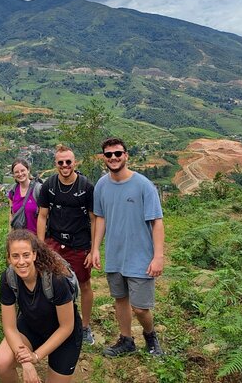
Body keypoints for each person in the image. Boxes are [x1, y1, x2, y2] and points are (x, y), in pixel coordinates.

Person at [92, 137, 165, 357]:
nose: (113, 158)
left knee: (141, 307)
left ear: (126, 155)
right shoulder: (101, 185)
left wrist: (158, 257)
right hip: (115, 254)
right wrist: (95, 248)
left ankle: (150, 336)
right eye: (109, 154)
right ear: (103, 158)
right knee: (120, 299)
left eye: (117, 153)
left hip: (140, 256)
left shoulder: (143, 185)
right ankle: (126, 340)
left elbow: (157, 222)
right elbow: (100, 218)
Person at [0, 229, 83, 383]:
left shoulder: (56, 280)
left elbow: (66, 326)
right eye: (15, 256)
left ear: (34, 254)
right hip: (31, 326)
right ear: (9, 258)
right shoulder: (8, 278)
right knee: (2, 364)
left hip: (63, 334)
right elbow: (9, 327)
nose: (21, 262)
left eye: (26, 255)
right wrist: (26, 362)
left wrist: (36, 356)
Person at [36, 145, 96, 346]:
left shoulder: (86, 187)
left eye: (68, 162)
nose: (64, 165)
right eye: (60, 162)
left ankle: (85, 327)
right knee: (51, 282)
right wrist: (40, 245)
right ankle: (55, 323)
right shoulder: (49, 185)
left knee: (84, 284)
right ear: (55, 164)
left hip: (79, 244)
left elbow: (94, 219)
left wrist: (93, 249)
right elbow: (42, 216)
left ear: (74, 162)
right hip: (54, 242)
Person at [8, 159, 41, 234]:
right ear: (13, 175)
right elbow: (12, 214)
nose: (20, 174)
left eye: (22, 170)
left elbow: (44, 216)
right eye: (16, 172)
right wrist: (10, 235)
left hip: (35, 238)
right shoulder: (13, 192)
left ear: (28, 170)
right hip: (19, 238)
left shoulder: (38, 190)